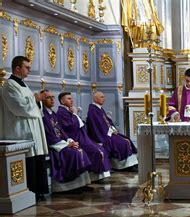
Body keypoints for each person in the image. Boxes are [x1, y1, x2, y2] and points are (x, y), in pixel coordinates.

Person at [0, 56, 49, 201]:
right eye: (27, 67)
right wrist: (36, 99)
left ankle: (39, 191)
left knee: (37, 159)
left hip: (32, 129)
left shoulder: (23, 84)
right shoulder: (9, 85)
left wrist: (37, 100)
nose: (29, 70)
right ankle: (30, 192)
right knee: (28, 161)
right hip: (20, 130)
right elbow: (18, 107)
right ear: (17, 68)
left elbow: (31, 103)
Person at [41, 90, 92, 192]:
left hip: (63, 143)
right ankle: (69, 186)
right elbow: (48, 135)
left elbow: (61, 131)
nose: (52, 99)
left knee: (79, 150)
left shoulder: (53, 114)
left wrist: (69, 140)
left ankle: (81, 183)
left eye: (53, 97)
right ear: (42, 100)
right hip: (55, 146)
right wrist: (66, 144)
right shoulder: (43, 116)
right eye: (48, 98)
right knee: (73, 154)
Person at [56, 92, 112, 181]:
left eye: (71, 98)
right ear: (62, 101)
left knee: (100, 149)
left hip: (82, 136)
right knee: (95, 151)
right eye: (69, 99)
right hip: (75, 138)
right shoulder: (61, 112)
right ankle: (95, 174)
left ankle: (99, 174)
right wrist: (74, 114)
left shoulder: (67, 110)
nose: (72, 100)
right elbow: (72, 126)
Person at [87, 91, 138, 170]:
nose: (104, 99)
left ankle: (132, 163)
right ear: (95, 99)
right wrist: (110, 132)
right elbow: (97, 126)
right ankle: (124, 166)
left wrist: (113, 129)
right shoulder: (93, 110)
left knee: (127, 139)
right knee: (123, 142)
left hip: (108, 133)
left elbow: (107, 121)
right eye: (101, 97)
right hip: (102, 136)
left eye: (103, 97)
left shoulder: (99, 109)